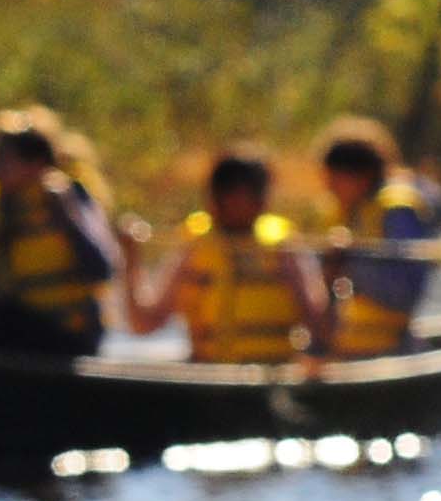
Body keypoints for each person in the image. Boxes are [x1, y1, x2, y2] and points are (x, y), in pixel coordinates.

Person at [0, 109, 121, 357]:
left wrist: (65, 215)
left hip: (69, 337)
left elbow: (102, 269)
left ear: (35, 165)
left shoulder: (71, 197)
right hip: (19, 326)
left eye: (3, 159)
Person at [123, 151, 329, 365]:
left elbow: (320, 328)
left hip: (271, 380)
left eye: (250, 194)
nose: (237, 202)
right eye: (228, 192)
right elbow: (144, 324)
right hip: (210, 380)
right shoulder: (195, 248)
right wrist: (131, 259)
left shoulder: (284, 250)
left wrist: (332, 275)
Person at [315, 127, 441, 358]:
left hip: (392, 347)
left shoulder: (398, 213)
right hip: (350, 343)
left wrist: (350, 260)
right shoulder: (348, 213)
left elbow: (404, 293)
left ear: (362, 176)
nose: (329, 188)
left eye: (334, 179)